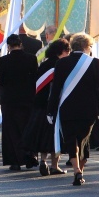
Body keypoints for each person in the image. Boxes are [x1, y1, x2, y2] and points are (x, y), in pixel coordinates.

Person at [47, 33, 99, 186]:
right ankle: (81, 170)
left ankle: (76, 170)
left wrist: (50, 110)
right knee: (84, 140)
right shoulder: (94, 62)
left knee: (71, 139)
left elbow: (56, 90)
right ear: (86, 47)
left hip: (68, 107)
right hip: (89, 109)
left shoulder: (62, 63)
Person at [24, 39, 70, 176]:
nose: (68, 53)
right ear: (61, 51)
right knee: (55, 135)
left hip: (39, 104)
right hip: (54, 104)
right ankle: (54, 165)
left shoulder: (44, 64)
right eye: (67, 50)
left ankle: (43, 160)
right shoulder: (61, 64)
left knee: (42, 134)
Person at [0, 34, 39, 171]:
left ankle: (14, 161)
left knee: (11, 130)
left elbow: (0, 81)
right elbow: (35, 78)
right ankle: (29, 156)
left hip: (9, 100)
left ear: (8, 47)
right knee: (27, 128)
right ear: (20, 44)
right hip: (28, 99)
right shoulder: (31, 59)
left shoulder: (3, 61)